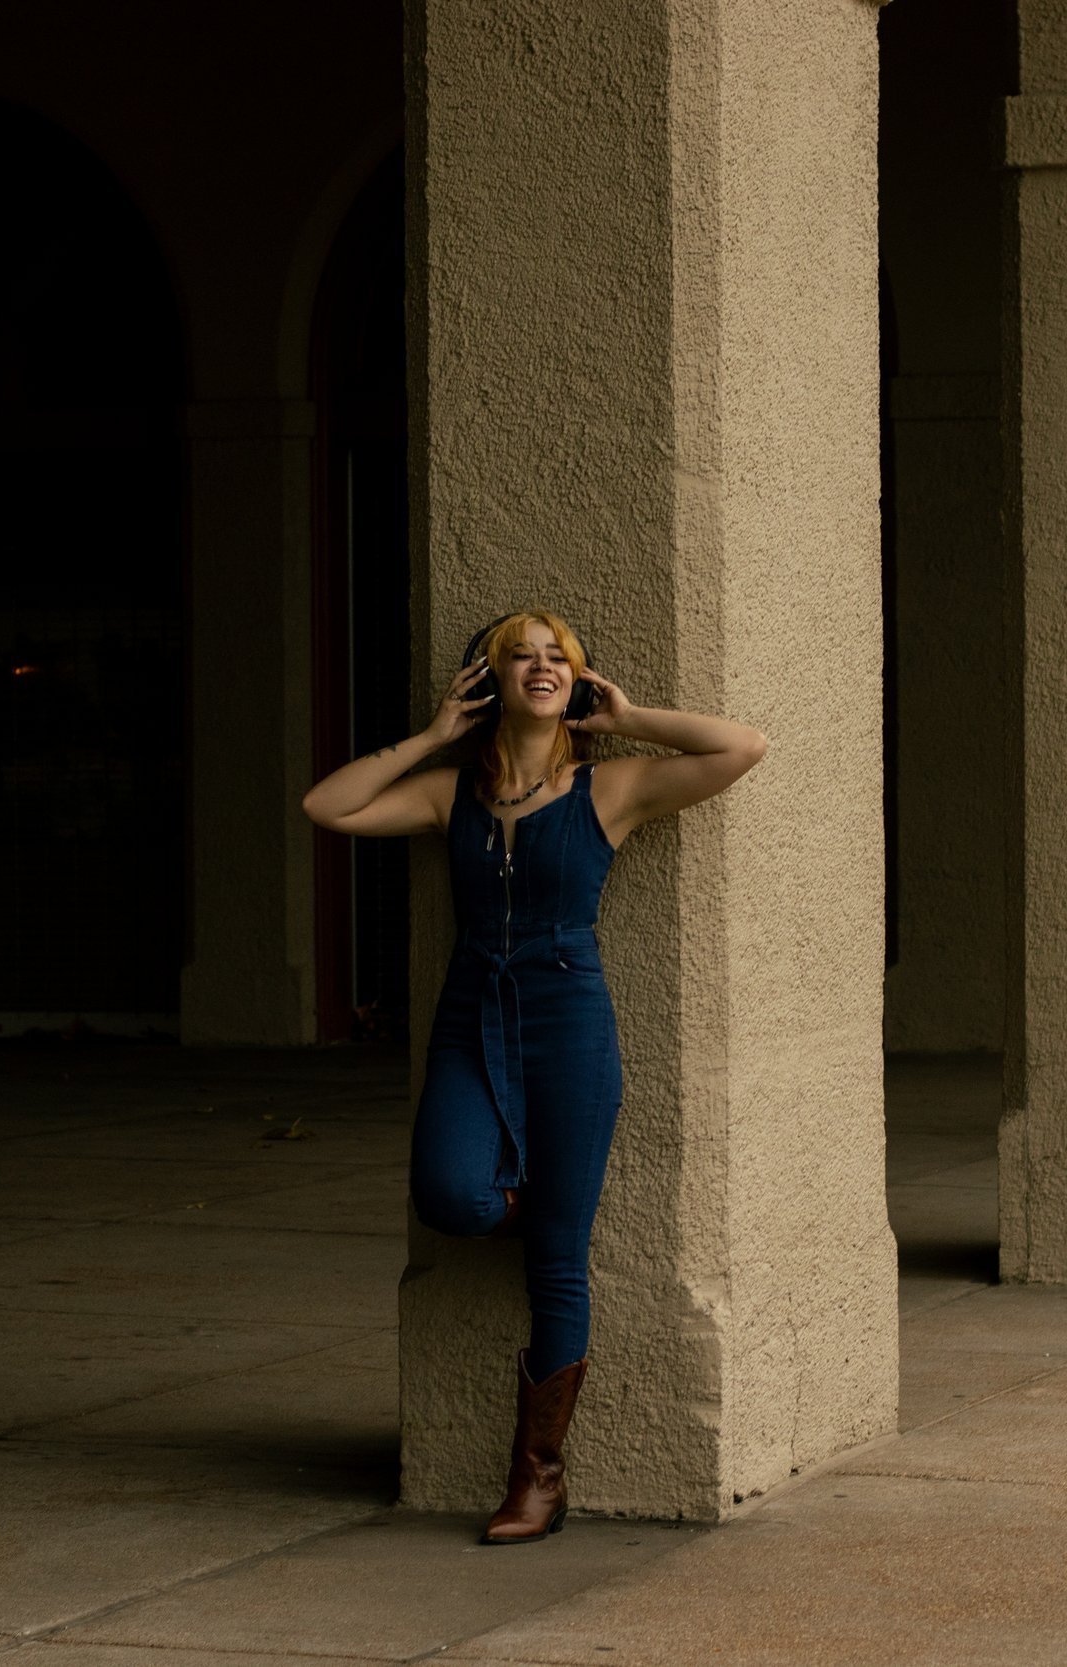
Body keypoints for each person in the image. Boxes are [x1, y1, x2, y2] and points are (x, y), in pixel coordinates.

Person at [300, 611, 767, 1544]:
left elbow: (741, 746)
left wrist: (630, 714)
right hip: (470, 1020)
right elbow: (329, 806)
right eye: (524, 655)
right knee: (451, 1195)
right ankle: (520, 1190)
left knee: (557, 1261)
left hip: (571, 1028)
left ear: (578, 684)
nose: (543, 667)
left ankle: (538, 1479)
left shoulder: (612, 789)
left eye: (560, 658)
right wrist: (433, 736)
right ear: (492, 680)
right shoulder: (450, 796)